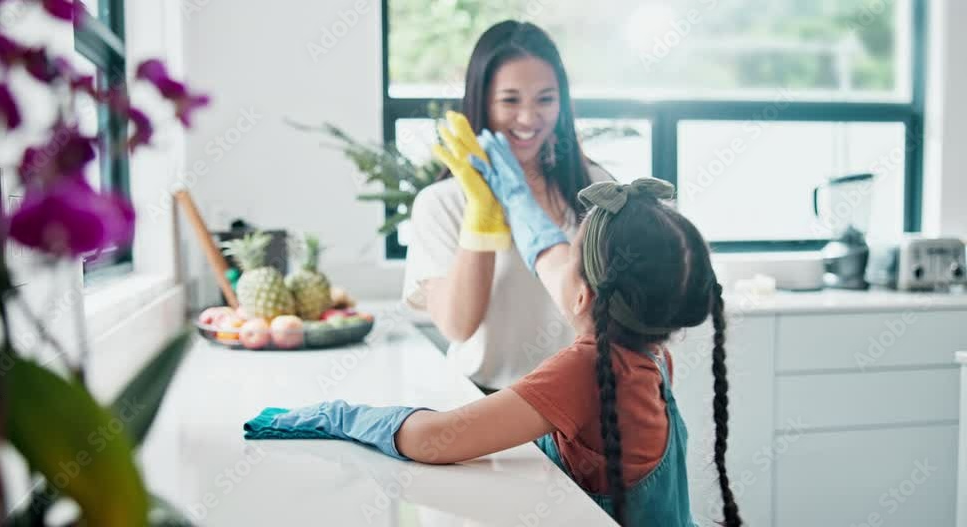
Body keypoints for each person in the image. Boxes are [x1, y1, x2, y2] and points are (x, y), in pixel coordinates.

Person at [243, 126, 742, 526]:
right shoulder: (653, 355)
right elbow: (549, 254)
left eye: (574, 258)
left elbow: (433, 439)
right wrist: (511, 195)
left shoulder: (585, 371)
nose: (560, 260)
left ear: (584, 293)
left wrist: (338, 416)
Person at [401, 20, 613, 393]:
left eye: (545, 99)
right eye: (510, 100)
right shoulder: (440, 204)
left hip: (582, 406)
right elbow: (458, 325)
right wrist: (481, 219)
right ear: (481, 101)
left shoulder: (597, 190)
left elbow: (610, 313)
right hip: (483, 404)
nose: (529, 118)